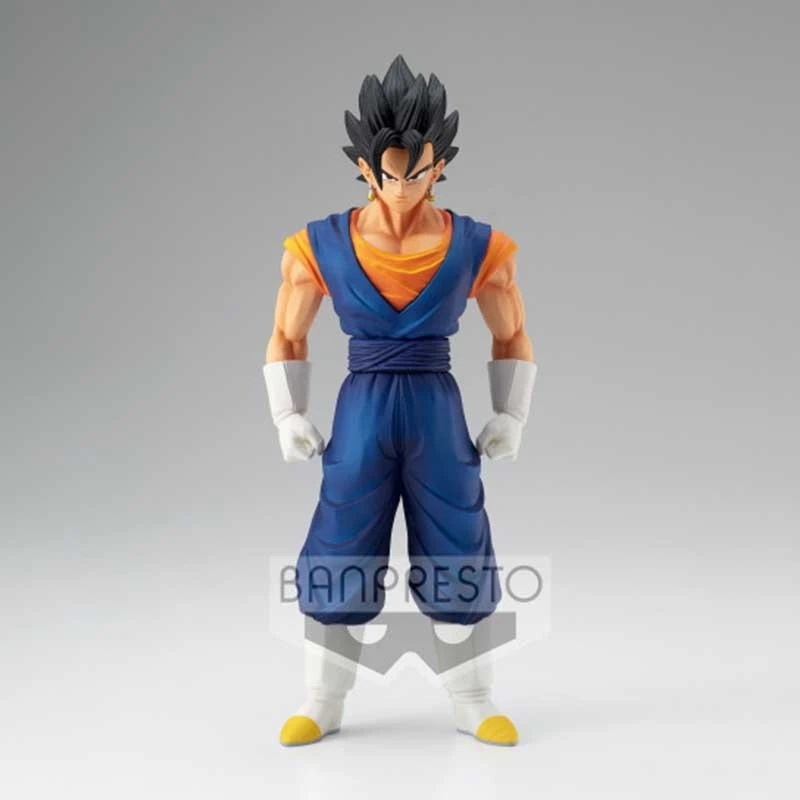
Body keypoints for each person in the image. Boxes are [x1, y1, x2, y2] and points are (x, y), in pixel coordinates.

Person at [264, 55, 537, 747]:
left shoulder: (479, 245)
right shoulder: (319, 245)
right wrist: (287, 413)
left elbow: (511, 332)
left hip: (435, 407)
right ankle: (323, 700)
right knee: (340, 541)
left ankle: (472, 699)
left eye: (419, 173)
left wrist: (511, 413)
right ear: (365, 168)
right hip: (361, 406)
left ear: (439, 166)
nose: (405, 188)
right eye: (391, 174)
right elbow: (287, 333)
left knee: (458, 541)